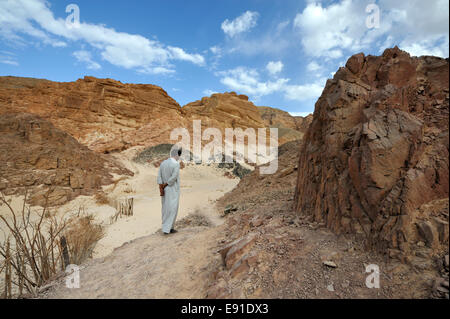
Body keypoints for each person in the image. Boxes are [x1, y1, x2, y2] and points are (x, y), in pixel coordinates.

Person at [157, 146, 182, 235]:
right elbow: (174, 177)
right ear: (177, 155)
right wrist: (166, 184)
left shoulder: (163, 163)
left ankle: (166, 227)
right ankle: (169, 229)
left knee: (165, 208)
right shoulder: (176, 164)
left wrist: (161, 187)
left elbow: (159, 175)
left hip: (164, 189)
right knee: (173, 208)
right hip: (172, 188)